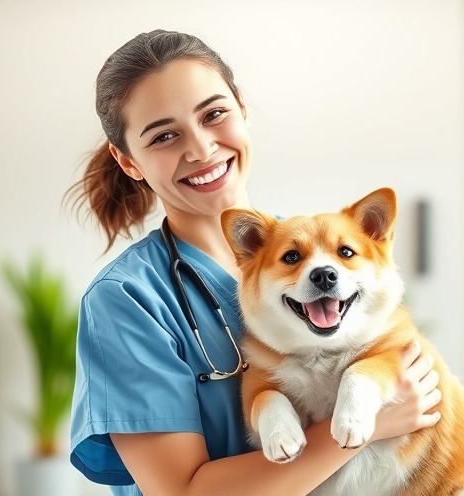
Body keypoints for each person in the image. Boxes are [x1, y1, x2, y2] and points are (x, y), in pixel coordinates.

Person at [66, 29, 442, 496]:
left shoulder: (318, 253)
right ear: (129, 162)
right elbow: (180, 492)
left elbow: (402, 368)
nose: (201, 149)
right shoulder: (127, 301)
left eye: (214, 114)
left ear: (242, 109)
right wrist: (362, 428)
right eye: (164, 136)